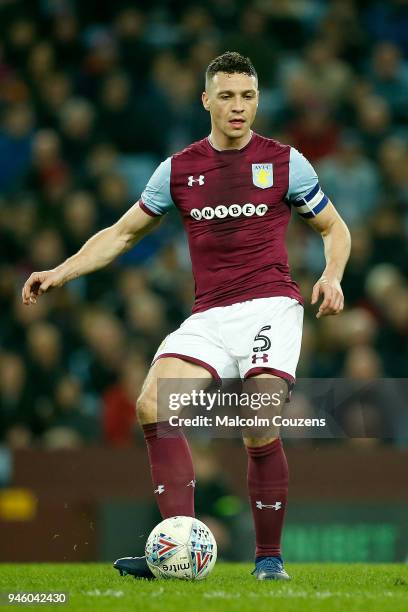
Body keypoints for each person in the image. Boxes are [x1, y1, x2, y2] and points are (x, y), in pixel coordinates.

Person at [22, 52, 351, 580]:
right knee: (153, 402)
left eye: (247, 95)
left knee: (258, 421)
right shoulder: (177, 170)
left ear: (258, 99)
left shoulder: (287, 162)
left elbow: (335, 228)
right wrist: (61, 272)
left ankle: (269, 560)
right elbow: (122, 234)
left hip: (271, 305)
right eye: (226, 95)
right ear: (206, 100)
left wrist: (332, 274)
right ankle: (178, 551)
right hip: (210, 315)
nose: (238, 106)